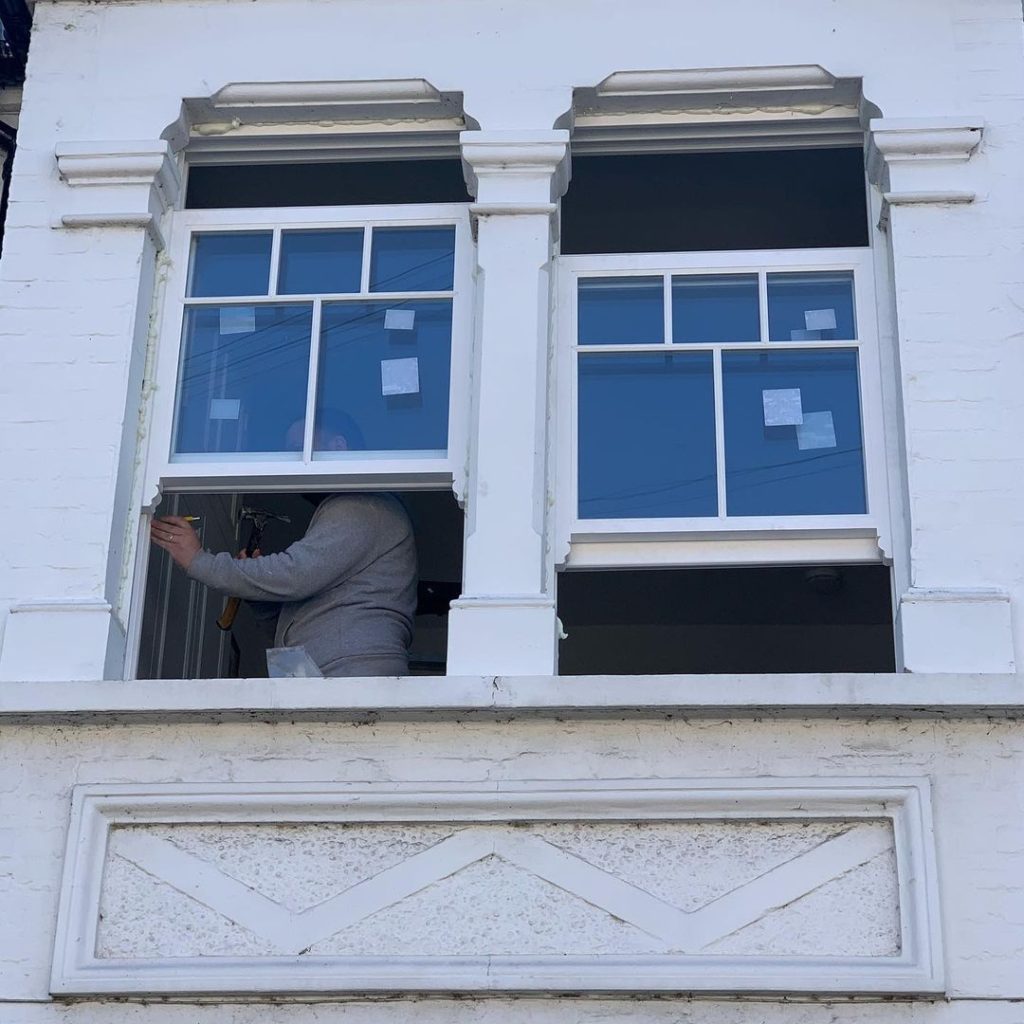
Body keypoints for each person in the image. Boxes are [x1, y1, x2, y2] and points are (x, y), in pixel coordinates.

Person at [149, 415, 417, 677]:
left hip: (352, 677)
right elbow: (297, 617)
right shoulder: (354, 509)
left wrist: (199, 561)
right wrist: (261, 600)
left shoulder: (364, 505)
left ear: (338, 447)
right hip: (334, 677)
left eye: (298, 449)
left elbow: (296, 575)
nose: (292, 460)